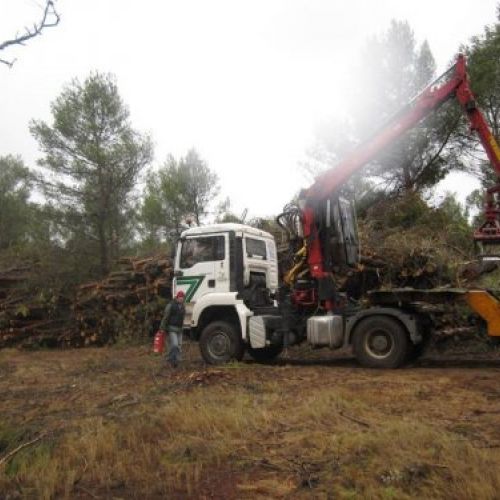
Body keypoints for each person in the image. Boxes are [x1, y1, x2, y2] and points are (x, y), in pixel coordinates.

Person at [158, 290, 186, 368]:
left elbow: (182, 318)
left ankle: (176, 362)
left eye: (182, 298)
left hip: (179, 329)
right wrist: (162, 328)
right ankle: (169, 359)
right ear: (177, 297)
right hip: (172, 328)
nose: (181, 299)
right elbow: (165, 317)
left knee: (179, 346)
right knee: (174, 345)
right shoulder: (171, 305)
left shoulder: (183, 306)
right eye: (180, 297)